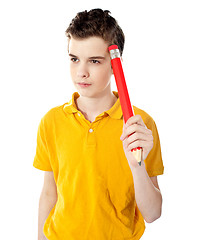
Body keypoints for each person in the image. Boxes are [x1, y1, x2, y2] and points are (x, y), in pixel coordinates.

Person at [33, 8, 164, 240]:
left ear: (116, 64)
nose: (81, 72)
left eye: (94, 61)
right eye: (74, 59)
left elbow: (152, 213)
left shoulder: (141, 125)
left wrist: (137, 165)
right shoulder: (51, 122)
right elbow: (48, 194)